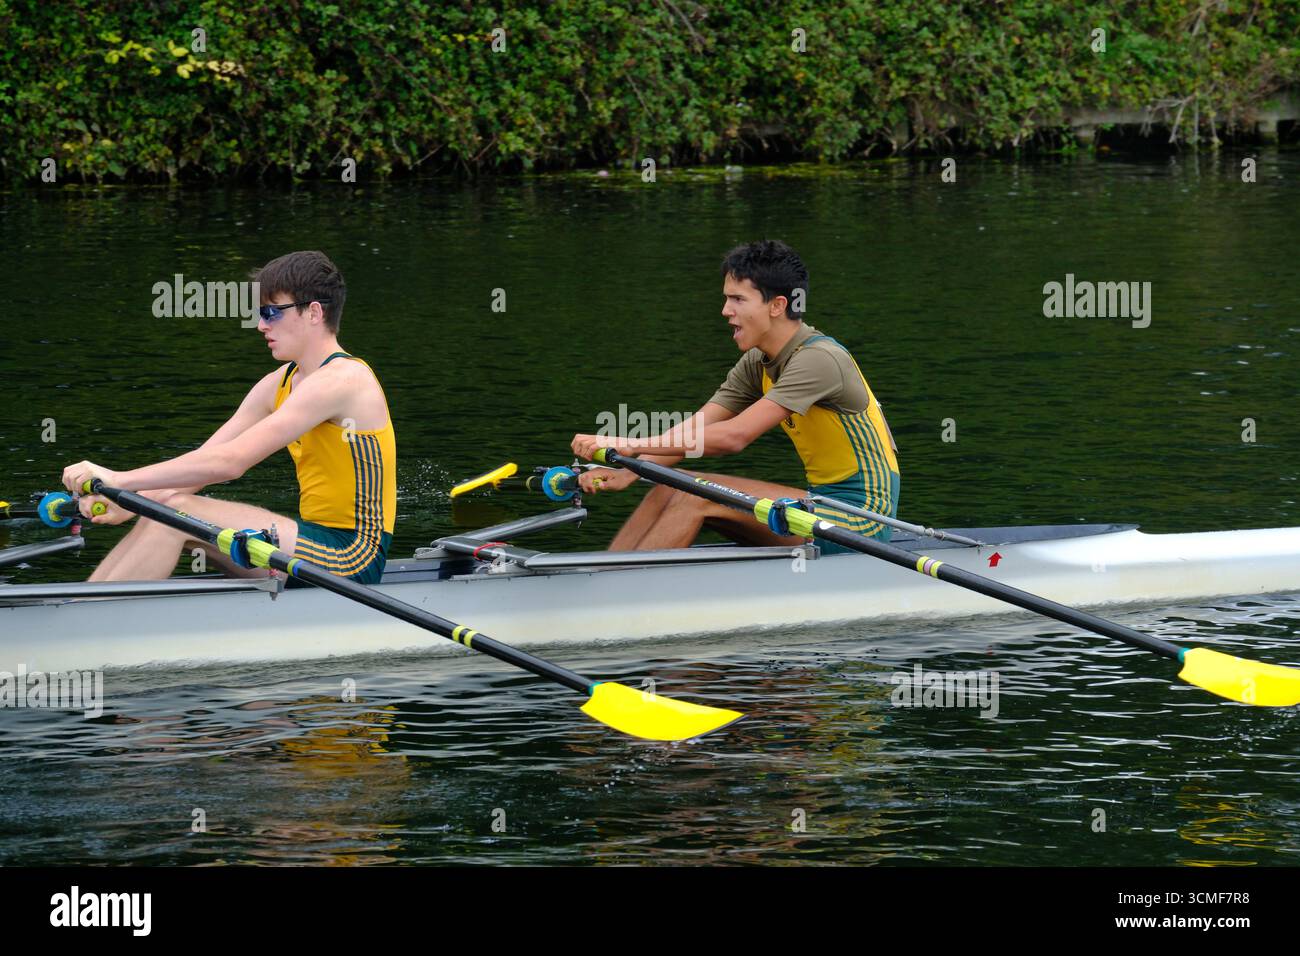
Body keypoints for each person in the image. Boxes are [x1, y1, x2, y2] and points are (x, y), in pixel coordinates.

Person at [61, 250, 396, 583]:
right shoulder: (275, 385)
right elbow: (205, 460)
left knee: (181, 510)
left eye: (271, 312)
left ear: (313, 312)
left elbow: (231, 462)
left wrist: (120, 479)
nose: (262, 325)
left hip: (352, 556)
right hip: (310, 542)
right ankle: (81, 610)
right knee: (166, 511)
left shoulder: (343, 380)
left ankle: (90, 623)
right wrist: (132, 503)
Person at [570, 239, 899, 554]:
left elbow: (734, 437)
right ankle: (607, 579)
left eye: (738, 299)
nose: (725, 310)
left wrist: (630, 444)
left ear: (777, 305)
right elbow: (694, 429)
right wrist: (630, 471)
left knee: (694, 495)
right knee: (670, 483)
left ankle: (627, 597)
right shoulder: (759, 360)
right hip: (821, 505)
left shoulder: (818, 359)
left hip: (861, 522)